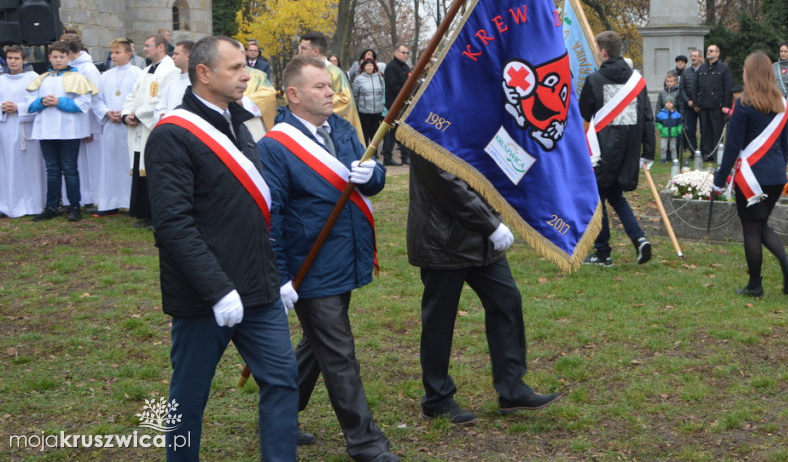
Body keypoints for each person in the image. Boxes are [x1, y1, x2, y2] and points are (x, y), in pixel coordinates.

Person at [146, 36, 298, 462]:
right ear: (204, 73)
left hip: (258, 285)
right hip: (204, 294)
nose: (246, 74)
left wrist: (278, 274)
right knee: (189, 396)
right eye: (235, 68)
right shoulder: (173, 135)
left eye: (244, 66)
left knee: (284, 380)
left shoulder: (246, 120)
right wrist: (216, 289)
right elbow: (173, 224)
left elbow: (264, 203)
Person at [259, 56, 398, 462]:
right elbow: (272, 215)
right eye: (320, 87)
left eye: (332, 85)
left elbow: (374, 178)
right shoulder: (275, 147)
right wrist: (282, 276)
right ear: (295, 94)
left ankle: (280, 416)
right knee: (338, 351)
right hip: (309, 264)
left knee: (317, 344)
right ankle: (365, 442)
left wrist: (369, 175)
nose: (331, 93)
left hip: (344, 255)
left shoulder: (340, 127)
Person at [407, 152, 562, 424]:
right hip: (444, 238)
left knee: (507, 302)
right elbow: (446, 182)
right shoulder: (427, 121)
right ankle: (437, 398)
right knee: (439, 321)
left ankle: (512, 389)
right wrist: (490, 225)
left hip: (481, 238)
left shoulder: (471, 114)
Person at [713, 52, 788, 297]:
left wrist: (720, 180)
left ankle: (756, 284)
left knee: (752, 229)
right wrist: (781, 170)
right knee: (760, 225)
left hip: (751, 177)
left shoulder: (743, 104)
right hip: (775, 175)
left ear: (749, 73)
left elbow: (732, 146)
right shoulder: (782, 103)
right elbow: (784, 145)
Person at [578, 31, 655, 267]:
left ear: (603, 52)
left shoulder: (594, 80)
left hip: (602, 151)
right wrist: (648, 152)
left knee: (596, 200)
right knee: (615, 197)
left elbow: (583, 113)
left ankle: (603, 252)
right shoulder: (638, 81)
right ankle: (639, 238)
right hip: (629, 151)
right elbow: (647, 118)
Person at [26, 40, 97, 222]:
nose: (57, 60)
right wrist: (42, 102)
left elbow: (83, 104)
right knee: (51, 169)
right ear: (49, 58)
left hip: (68, 130)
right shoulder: (43, 78)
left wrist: (59, 102)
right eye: (54, 57)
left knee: (70, 169)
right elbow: (29, 103)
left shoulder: (78, 78)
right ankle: (52, 206)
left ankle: (74, 205)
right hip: (46, 129)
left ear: (68, 57)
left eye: (61, 57)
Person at [121, 34, 179, 227]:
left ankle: (157, 216)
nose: (144, 49)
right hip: (138, 125)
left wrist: (138, 115)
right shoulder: (146, 70)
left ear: (161, 47)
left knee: (154, 171)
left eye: (148, 46)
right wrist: (126, 114)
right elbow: (133, 94)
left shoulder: (170, 70)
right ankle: (145, 213)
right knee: (141, 169)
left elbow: (160, 98)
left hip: (152, 125)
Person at [91, 39, 142, 214]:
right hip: (111, 125)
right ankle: (109, 201)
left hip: (129, 126)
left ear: (129, 53)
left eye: (118, 52)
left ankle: (130, 202)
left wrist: (126, 113)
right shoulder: (104, 76)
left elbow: (141, 98)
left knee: (128, 163)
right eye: (112, 53)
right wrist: (106, 112)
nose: (114, 56)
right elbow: (97, 100)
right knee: (110, 163)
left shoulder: (138, 74)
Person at [0, 46, 46, 218]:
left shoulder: (33, 78)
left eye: (16, 58)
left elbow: (39, 102)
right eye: (10, 58)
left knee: (29, 168)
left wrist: (18, 107)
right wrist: (3, 108)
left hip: (26, 130)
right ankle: (6, 204)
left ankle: (32, 204)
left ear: (24, 60)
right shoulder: (1, 80)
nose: (13, 61)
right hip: (5, 128)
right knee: (6, 167)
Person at [297, 31, 362, 140]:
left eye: (303, 49)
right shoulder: (300, 71)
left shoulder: (334, 73)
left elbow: (345, 101)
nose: (300, 52)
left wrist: (312, 102)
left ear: (315, 51)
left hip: (328, 132)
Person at [62, 33, 103, 208]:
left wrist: (91, 128)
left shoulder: (88, 69)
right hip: (73, 122)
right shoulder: (69, 67)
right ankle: (80, 196)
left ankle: (94, 197)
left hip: (88, 124)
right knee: (78, 163)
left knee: (91, 162)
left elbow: (94, 98)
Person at [694, 44, 733, 162]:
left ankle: (717, 154)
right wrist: (696, 103)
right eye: (708, 51)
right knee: (705, 131)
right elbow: (695, 87)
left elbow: (728, 87)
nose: (708, 52)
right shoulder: (701, 68)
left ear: (718, 53)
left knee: (717, 130)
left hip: (717, 105)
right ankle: (706, 153)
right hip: (704, 104)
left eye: (711, 51)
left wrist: (726, 104)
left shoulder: (724, 68)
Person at [382, 45, 411, 166]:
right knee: (394, 130)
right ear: (396, 52)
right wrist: (406, 95)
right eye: (403, 52)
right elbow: (393, 86)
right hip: (394, 102)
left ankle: (404, 156)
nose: (405, 55)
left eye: (407, 53)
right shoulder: (391, 67)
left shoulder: (406, 67)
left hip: (405, 102)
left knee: (401, 130)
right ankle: (388, 156)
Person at [351, 59, 385, 149]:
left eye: (371, 65)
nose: (369, 67)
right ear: (363, 67)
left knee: (375, 131)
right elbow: (355, 95)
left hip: (377, 110)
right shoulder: (359, 79)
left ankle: (374, 151)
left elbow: (382, 92)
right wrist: (359, 106)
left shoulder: (379, 78)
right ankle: (365, 149)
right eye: (367, 66)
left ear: (374, 67)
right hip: (364, 110)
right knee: (365, 131)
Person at [679, 48, 702, 160]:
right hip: (689, 106)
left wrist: (699, 103)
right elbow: (682, 88)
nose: (693, 58)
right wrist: (688, 100)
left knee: (704, 130)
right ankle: (693, 152)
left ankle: (705, 152)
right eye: (692, 56)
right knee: (690, 130)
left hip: (702, 106)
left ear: (700, 57)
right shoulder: (686, 72)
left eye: (695, 56)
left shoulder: (705, 70)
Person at [163, 41, 194, 112]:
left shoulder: (196, 83)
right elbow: (161, 106)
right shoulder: (172, 80)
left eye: (176, 54)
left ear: (188, 56)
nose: (173, 57)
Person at [656, 100, 683, 164]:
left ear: (673, 104)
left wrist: (679, 131)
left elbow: (679, 124)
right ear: (664, 104)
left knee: (673, 147)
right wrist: (661, 129)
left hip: (673, 133)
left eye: (670, 102)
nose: (669, 104)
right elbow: (658, 123)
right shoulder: (660, 114)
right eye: (667, 103)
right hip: (664, 134)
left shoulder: (677, 114)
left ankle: (674, 159)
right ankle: (663, 158)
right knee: (663, 147)